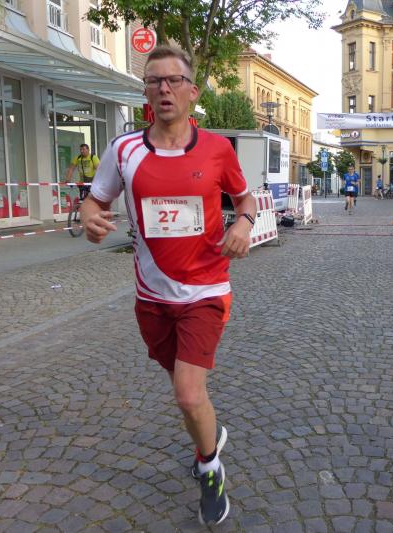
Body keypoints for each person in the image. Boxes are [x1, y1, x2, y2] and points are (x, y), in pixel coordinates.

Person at [80, 46, 256, 526]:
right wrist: (90, 220)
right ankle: (209, 433)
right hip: (152, 297)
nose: (163, 88)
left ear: (192, 92)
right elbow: (95, 202)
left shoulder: (218, 149)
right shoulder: (124, 150)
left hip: (206, 290)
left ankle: (210, 468)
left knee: (187, 395)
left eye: (173, 80)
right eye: (154, 80)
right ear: (146, 92)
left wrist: (243, 225)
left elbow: (245, 200)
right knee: (183, 387)